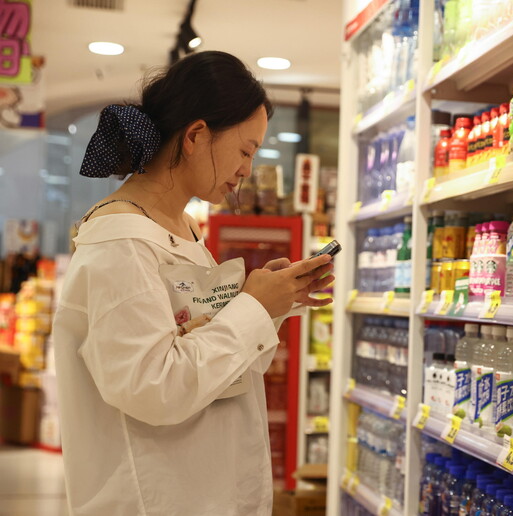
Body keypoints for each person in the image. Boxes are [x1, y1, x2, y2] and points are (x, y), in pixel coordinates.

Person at [51, 51, 333, 515]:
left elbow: (209, 361)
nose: (247, 170)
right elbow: (153, 387)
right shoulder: (123, 243)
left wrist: (270, 306)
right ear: (196, 136)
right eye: (245, 151)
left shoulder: (180, 229)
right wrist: (252, 310)